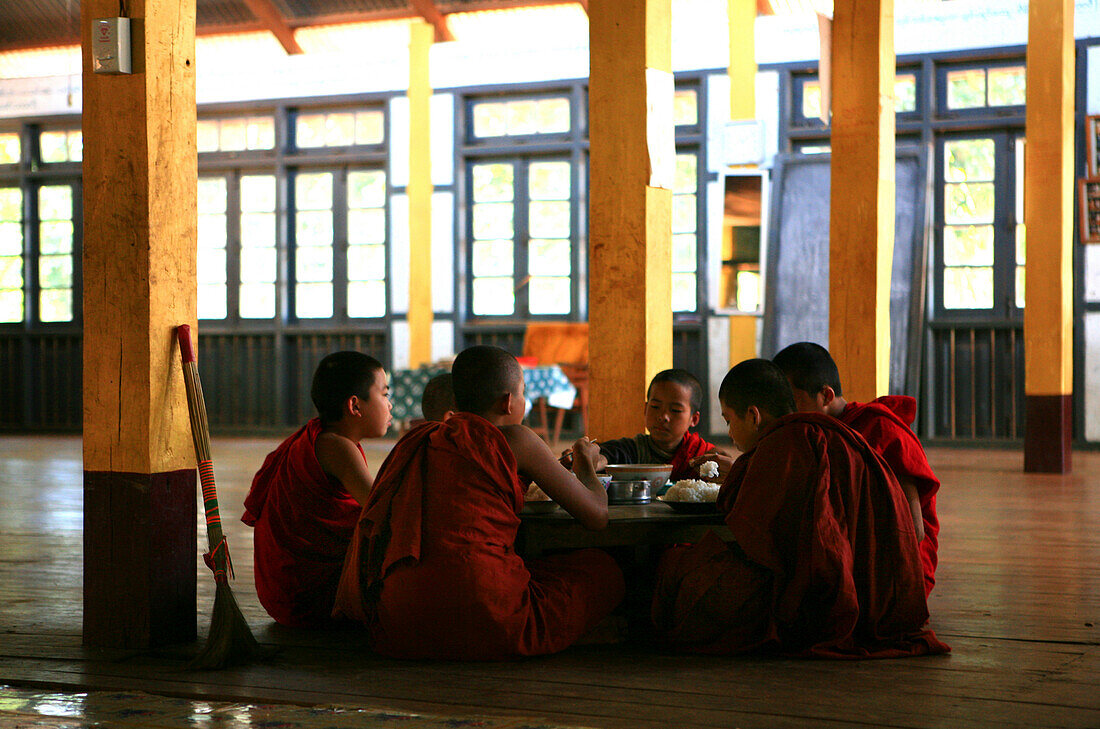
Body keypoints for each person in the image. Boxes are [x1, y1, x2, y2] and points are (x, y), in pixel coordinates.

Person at [333, 345, 625, 660]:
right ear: (508, 401)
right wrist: (585, 462)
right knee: (604, 570)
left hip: (399, 623)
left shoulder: (418, 441)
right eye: (523, 393)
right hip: (487, 618)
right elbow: (597, 515)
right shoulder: (517, 439)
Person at [652, 359, 948, 658]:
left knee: (676, 569)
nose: (729, 432)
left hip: (825, 593)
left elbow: (758, 544)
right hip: (875, 589)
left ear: (753, 416)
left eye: (729, 420)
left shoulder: (784, 445)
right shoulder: (817, 433)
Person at [772, 342, 940, 597]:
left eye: (795, 402)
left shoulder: (880, 430)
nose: (788, 414)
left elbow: (913, 530)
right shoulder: (812, 434)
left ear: (826, 396)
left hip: (892, 569)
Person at [242, 351, 392, 627]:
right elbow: (381, 511)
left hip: (283, 595)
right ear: (355, 406)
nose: (390, 405)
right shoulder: (337, 447)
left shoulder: (317, 437)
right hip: (310, 597)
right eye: (384, 394)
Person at [571, 368, 719, 484]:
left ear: (694, 419)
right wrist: (585, 458)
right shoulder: (632, 450)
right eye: (655, 407)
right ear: (645, 409)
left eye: (675, 410)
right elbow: (607, 456)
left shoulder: (704, 456)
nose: (663, 417)